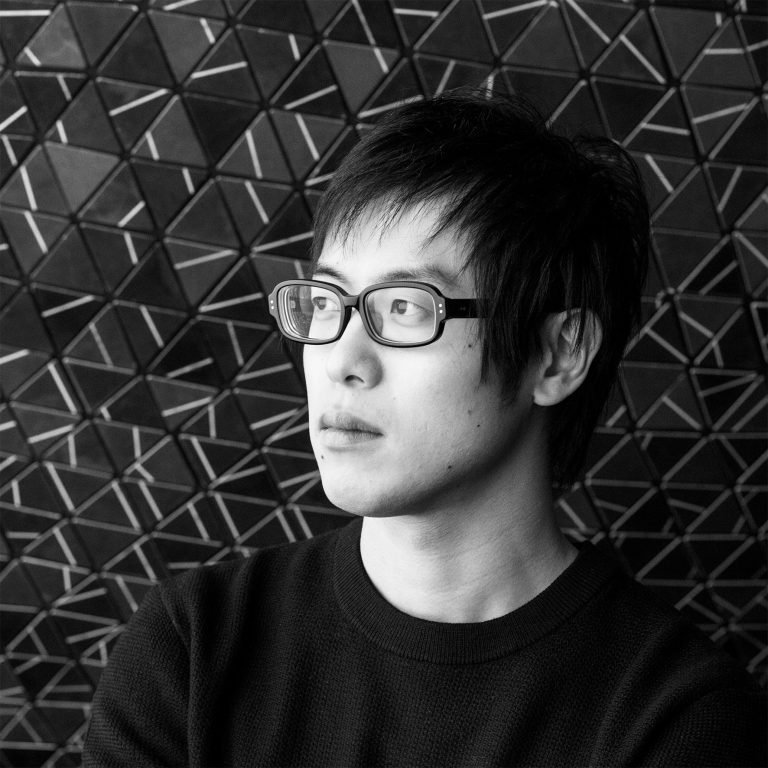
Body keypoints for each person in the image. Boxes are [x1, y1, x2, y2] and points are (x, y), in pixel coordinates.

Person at [83, 90, 766, 767]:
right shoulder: (194, 646)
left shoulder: (677, 718)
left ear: (558, 355)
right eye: (327, 301)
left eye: (406, 307)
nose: (342, 361)